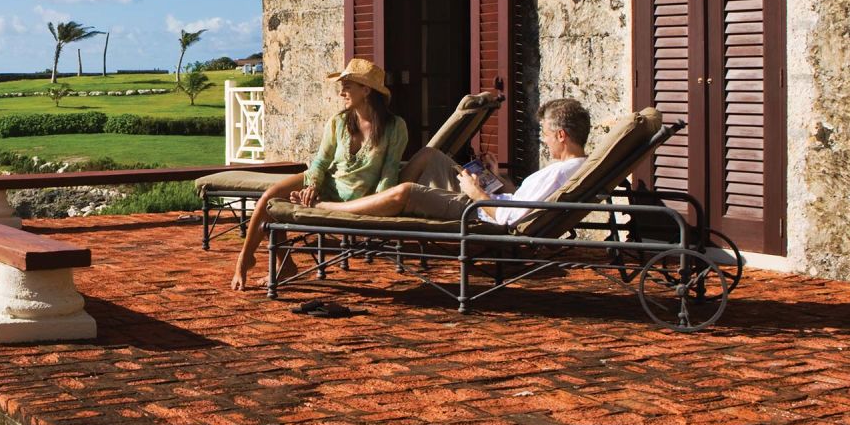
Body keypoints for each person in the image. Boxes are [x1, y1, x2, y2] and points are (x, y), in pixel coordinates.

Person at [228, 58, 407, 291]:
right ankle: (246, 259)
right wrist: (312, 184)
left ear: (366, 90)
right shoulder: (339, 122)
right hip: (326, 183)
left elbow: (389, 172)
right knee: (269, 198)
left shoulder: (395, 127)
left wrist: (376, 208)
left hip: (357, 197)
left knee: (277, 204)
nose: (342, 91)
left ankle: (284, 266)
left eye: (347, 85)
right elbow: (321, 161)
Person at [308, 98, 592, 224]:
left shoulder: (558, 173)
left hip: (477, 209)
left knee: (405, 193)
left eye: (545, 134)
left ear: (561, 135)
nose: (544, 139)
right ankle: (374, 202)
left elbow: (510, 218)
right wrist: (497, 179)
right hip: (489, 200)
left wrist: (475, 192)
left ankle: (332, 208)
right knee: (430, 155)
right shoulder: (574, 168)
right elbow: (521, 200)